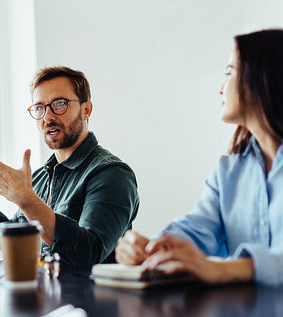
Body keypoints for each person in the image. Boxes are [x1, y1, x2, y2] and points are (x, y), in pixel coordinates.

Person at [116, 29, 283, 286]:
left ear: (261, 77)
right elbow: (197, 228)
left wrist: (229, 269)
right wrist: (152, 249)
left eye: (229, 72)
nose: (221, 89)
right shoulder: (228, 171)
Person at [0, 66, 139, 272]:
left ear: (86, 109)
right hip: (46, 299)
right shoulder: (39, 178)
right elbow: (17, 244)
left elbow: (88, 254)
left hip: (92, 302)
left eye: (59, 104)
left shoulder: (112, 174)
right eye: (40, 108)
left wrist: (27, 201)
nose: (48, 117)